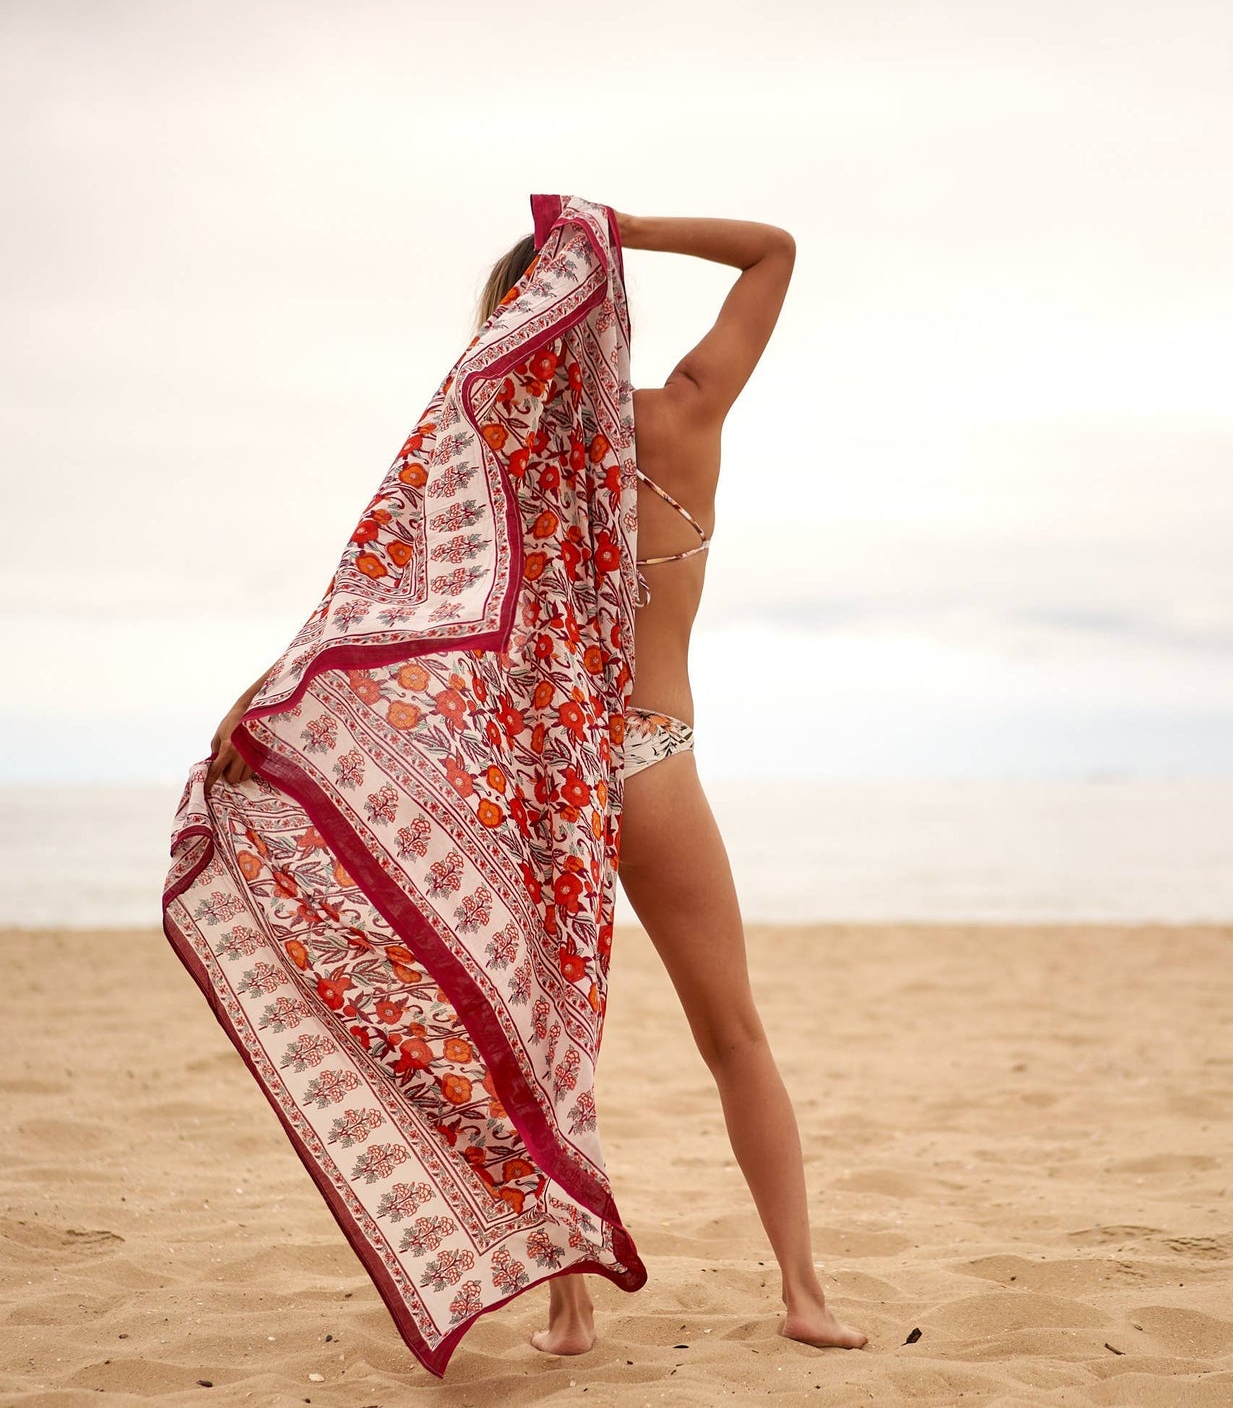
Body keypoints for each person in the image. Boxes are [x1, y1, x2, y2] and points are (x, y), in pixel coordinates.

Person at [205, 209, 866, 1357]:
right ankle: (802, 1291)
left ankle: (568, 1309)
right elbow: (775, 251)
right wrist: (616, 228)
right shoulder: (683, 418)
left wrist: (261, 703)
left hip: (535, 782)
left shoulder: (495, 471)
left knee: (544, 1040)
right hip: (651, 760)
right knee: (734, 1035)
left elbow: (376, 611)